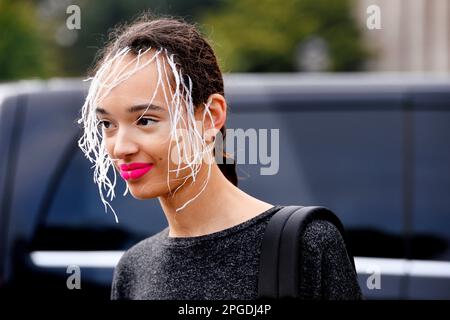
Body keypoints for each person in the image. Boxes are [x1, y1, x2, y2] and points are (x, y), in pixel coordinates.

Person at [77, 13, 362, 300]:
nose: (120, 147)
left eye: (145, 120)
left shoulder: (306, 244)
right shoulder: (133, 269)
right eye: (107, 124)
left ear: (211, 117)